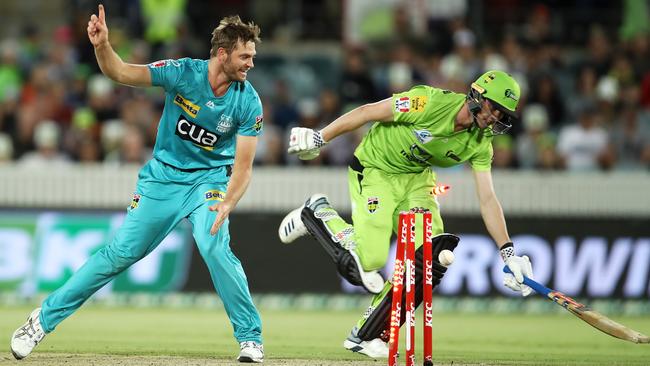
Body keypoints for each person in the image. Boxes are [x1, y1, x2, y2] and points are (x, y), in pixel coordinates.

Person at [11, 5, 265, 363]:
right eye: (244, 56)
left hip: (208, 183)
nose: (250, 64)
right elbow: (121, 72)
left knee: (214, 247)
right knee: (119, 254)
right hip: (162, 179)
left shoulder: (248, 101)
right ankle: (41, 321)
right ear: (222, 54)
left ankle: (250, 338)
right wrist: (102, 47)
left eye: (252, 56)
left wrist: (228, 202)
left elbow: (244, 168)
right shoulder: (181, 73)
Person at [279, 70, 534, 358]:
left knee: (431, 258)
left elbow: (488, 198)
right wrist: (320, 137)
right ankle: (315, 213)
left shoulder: (480, 143)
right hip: (376, 168)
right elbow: (368, 112)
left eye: (502, 114)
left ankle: (367, 334)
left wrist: (508, 252)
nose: (494, 118)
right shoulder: (427, 102)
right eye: (494, 109)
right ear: (477, 95)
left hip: (416, 180)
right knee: (368, 260)